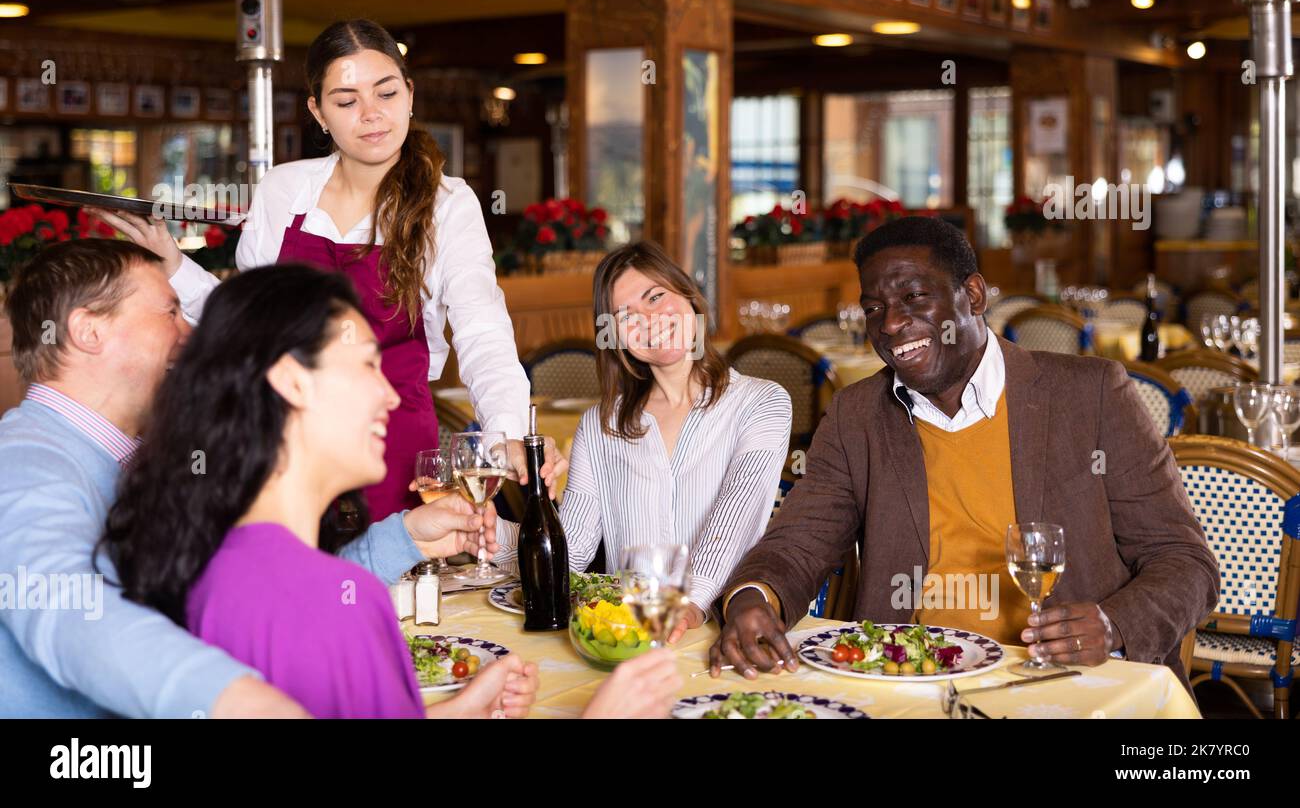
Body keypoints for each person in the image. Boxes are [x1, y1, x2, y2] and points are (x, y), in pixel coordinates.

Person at [99, 263, 680, 718]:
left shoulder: (215, 564)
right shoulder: (339, 603)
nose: (391, 396)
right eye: (365, 367)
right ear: (292, 381)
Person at [709, 216, 1218, 687]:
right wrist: (752, 598)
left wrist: (1112, 624)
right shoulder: (857, 415)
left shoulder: (1091, 395)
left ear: (973, 295)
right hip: (912, 679)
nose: (890, 325)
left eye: (913, 297)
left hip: (1068, 680)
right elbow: (798, 545)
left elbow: (1186, 563)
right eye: (874, 308)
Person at [90, 18, 562, 521]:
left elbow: (482, 330)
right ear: (318, 112)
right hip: (286, 436)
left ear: (409, 95)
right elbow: (246, 324)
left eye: (386, 93)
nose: (372, 115)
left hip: (391, 442)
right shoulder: (284, 191)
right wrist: (173, 263)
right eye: (346, 101)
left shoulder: (449, 204)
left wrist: (506, 434)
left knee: (387, 582)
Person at [494, 242, 791, 643]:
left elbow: (731, 525)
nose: (649, 319)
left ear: (688, 297)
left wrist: (687, 606)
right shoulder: (600, 426)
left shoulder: (762, 402)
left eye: (656, 297)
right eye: (627, 315)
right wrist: (486, 532)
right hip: (628, 638)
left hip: (727, 631)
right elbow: (573, 552)